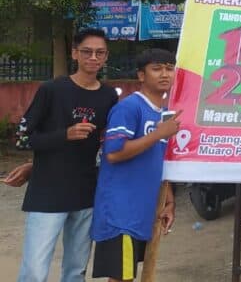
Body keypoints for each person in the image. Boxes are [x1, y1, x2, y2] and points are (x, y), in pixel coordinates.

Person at [14, 28, 119, 282]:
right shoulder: (52, 89)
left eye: (100, 52)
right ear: (75, 53)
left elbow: (109, 143)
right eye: (87, 51)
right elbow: (22, 137)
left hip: (85, 192)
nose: (93, 57)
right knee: (35, 271)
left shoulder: (109, 96)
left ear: (106, 56)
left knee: (76, 270)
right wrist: (64, 135)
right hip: (48, 193)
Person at [90, 49, 180, 282]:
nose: (164, 74)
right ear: (141, 75)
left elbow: (157, 160)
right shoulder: (129, 108)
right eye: (157, 68)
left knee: (129, 275)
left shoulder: (164, 114)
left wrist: (168, 201)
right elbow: (114, 153)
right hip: (120, 213)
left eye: (170, 68)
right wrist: (158, 134)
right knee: (122, 278)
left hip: (143, 211)